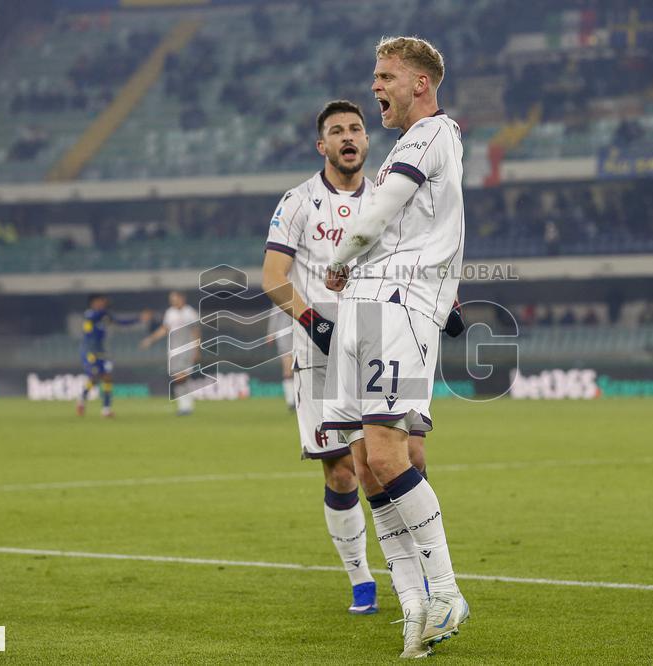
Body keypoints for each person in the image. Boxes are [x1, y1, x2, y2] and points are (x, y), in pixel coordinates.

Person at [322, 37, 468, 658]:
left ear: (420, 83)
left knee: (387, 454)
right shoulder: (409, 146)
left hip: (394, 308)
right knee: (363, 462)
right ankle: (415, 609)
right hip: (367, 308)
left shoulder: (432, 135)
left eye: (386, 76)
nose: (376, 85)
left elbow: (379, 213)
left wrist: (338, 259)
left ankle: (447, 590)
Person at [261, 99, 381, 615]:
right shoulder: (298, 201)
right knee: (341, 471)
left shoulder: (390, 197)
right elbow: (272, 278)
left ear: (367, 140)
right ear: (322, 145)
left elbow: (425, 258)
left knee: (395, 460)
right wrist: (317, 324)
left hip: (381, 340)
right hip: (320, 349)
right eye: (337, 131)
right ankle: (361, 579)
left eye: (356, 128)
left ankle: (420, 571)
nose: (348, 137)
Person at [77, 294, 149, 418]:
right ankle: (82, 399)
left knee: (107, 378)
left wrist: (139, 318)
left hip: (101, 351)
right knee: (94, 377)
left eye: (102, 301)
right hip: (89, 351)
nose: (101, 303)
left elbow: (121, 321)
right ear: (93, 303)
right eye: (99, 301)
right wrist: (105, 308)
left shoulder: (105, 315)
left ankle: (106, 410)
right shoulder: (89, 314)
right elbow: (98, 315)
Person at [141, 290, 200, 416]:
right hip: (173, 350)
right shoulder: (170, 313)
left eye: (174, 298)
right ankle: (185, 406)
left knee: (181, 376)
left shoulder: (190, 313)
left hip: (187, 349)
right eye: (171, 299)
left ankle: (185, 406)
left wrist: (196, 350)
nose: (172, 301)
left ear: (182, 298)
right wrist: (150, 339)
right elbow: (165, 329)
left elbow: (196, 332)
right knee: (177, 378)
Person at [265, 306, 297, 410]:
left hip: (300, 335)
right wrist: (271, 333)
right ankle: (291, 400)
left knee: (298, 370)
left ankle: (295, 399)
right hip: (285, 336)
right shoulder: (283, 293)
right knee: (289, 370)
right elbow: (274, 315)